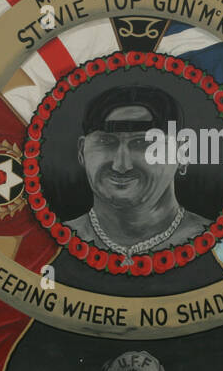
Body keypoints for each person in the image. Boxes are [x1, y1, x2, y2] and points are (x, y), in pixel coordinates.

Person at [67, 84, 209, 257]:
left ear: (182, 153)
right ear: (82, 151)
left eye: (142, 143)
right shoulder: (53, 245)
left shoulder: (222, 245)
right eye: (106, 142)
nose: (121, 165)